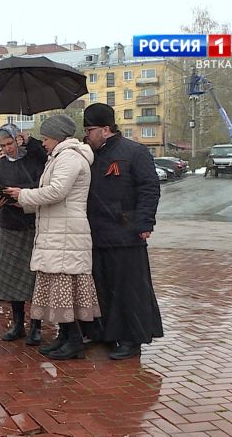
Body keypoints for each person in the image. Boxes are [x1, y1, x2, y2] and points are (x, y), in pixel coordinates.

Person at [6, 115, 101, 360]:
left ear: (58, 137)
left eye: (46, 138)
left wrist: (23, 195)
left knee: (63, 291)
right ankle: (65, 337)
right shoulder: (60, 157)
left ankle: (74, 341)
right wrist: (21, 201)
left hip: (66, 235)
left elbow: (57, 191)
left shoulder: (69, 157)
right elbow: (51, 195)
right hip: (59, 232)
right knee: (59, 293)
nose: (43, 143)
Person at [82, 103, 163, 360]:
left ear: (105, 129)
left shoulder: (135, 152)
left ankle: (131, 339)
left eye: (90, 130)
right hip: (97, 234)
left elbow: (149, 188)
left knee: (130, 290)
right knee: (103, 288)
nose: (86, 136)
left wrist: (145, 222)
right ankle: (105, 333)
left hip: (126, 234)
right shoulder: (90, 155)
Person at [0, 123, 47, 345]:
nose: (7, 149)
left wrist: (23, 194)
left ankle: (36, 326)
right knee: (12, 279)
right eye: (2, 145)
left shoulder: (33, 159)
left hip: (33, 226)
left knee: (34, 280)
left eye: (10, 143)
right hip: (10, 226)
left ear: (17, 140)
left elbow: (41, 184)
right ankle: (18, 324)